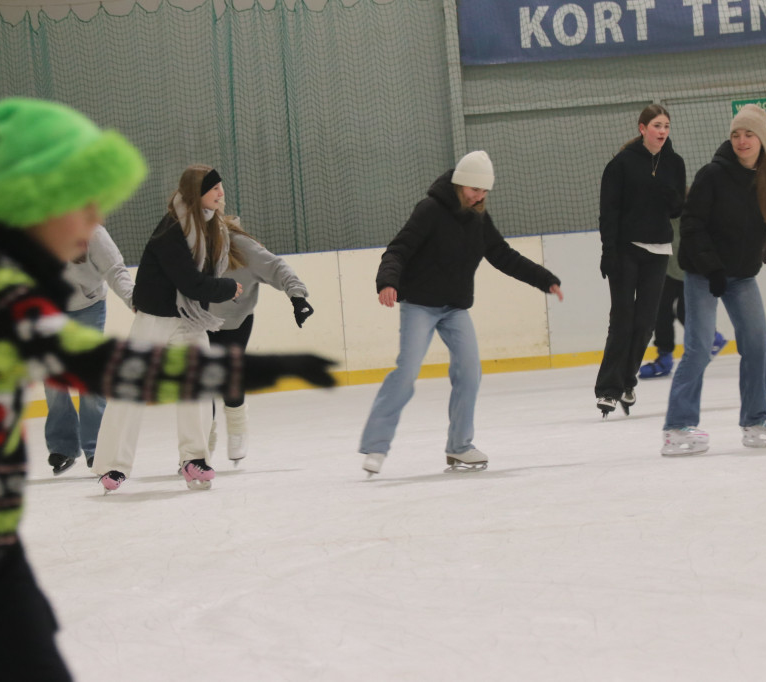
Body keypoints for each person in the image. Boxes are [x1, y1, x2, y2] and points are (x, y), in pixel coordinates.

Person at [0, 98, 334, 681]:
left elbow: (130, 270)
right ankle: (99, 459)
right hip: (115, 319)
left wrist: (279, 290)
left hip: (121, 314)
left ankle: (181, 457)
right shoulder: (129, 232)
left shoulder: (130, 229)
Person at [359, 151, 563, 476]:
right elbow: (398, 249)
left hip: (454, 309)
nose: (479, 196)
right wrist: (387, 281)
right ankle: (375, 445)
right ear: (459, 184)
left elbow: (503, 255)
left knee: (470, 372)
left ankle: (459, 447)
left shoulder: (479, 218)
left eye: (484, 191)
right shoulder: (430, 210)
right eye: (473, 190)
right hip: (420, 305)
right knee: (407, 372)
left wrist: (544, 279)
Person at [91, 165, 258, 492]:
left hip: (190, 319)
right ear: (198, 195)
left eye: (221, 187)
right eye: (214, 189)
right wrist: (226, 288)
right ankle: (113, 465)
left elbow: (202, 279)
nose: (221, 193)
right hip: (154, 317)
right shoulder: (172, 229)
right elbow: (191, 282)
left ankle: (194, 459)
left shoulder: (213, 228)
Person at [661, 104, 766, 456]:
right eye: (736, 134)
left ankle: (756, 419)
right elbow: (692, 225)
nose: (742, 141)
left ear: (762, 140)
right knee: (698, 347)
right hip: (703, 272)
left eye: (749, 134)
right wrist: (711, 269)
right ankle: (677, 428)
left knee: (757, 344)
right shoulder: (712, 174)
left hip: (742, 275)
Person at [595, 104, 686, 417]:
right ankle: (608, 389)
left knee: (645, 323)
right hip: (625, 250)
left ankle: (627, 381)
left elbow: (676, 210)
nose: (662, 131)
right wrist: (608, 252)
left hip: (659, 251)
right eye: (657, 125)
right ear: (642, 128)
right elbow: (609, 213)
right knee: (622, 320)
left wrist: (672, 193)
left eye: (666, 126)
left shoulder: (674, 163)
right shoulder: (621, 165)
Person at [206, 204, 314, 465]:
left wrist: (297, 297)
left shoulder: (242, 246)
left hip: (236, 320)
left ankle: (237, 428)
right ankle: (199, 447)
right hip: (199, 321)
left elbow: (277, 267)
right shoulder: (190, 247)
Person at [44, 223, 134, 475]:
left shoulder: (92, 231)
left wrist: (132, 298)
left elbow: (115, 268)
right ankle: (62, 446)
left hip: (88, 307)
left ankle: (96, 448)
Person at [638, 219, 727, 379]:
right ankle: (664, 356)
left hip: (689, 266)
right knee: (661, 311)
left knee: (683, 310)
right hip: (669, 266)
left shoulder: (689, 210)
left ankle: (712, 337)